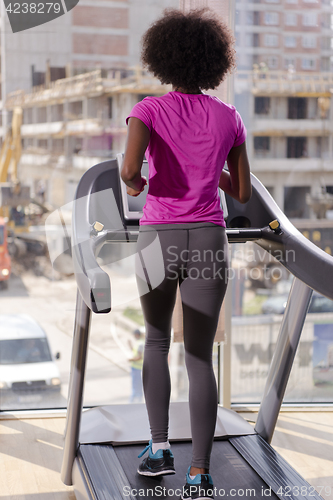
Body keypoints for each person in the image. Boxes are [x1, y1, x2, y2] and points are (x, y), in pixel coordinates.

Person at [121, 8, 251, 500]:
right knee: (199, 356)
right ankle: (200, 474)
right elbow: (238, 190)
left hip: (160, 236)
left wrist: (140, 182)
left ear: (163, 58)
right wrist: (206, 171)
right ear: (214, 63)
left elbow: (131, 170)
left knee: (156, 342)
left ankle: (159, 449)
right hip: (209, 236)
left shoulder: (148, 111)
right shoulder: (229, 117)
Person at [128, 328, 144, 403]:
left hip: (138, 368)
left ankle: (133, 401)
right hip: (135, 368)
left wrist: (131, 360)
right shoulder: (138, 343)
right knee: (135, 385)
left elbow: (139, 356)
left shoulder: (140, 344)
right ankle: (134, 400)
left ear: (137, 335)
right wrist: (130, 345)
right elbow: (135, 352)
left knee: (136, 385)